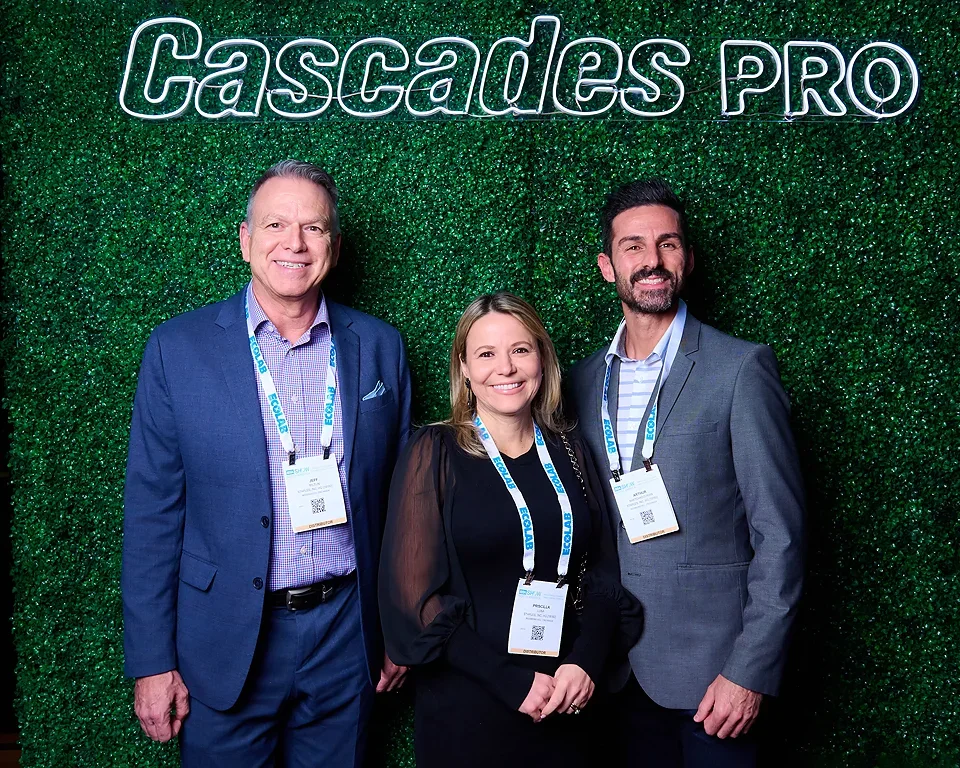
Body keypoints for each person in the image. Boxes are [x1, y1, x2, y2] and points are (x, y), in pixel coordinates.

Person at [122, 160, 412, 767]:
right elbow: (152, 514)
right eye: (276, 224)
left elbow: (406, 503)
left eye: (313, 227)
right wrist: (152, 662)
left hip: (346, 631)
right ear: (246, 239)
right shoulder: (177, 350)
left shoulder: (379, 345)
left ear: (333, 244)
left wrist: (399, 628)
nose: (295, 243)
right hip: (226, 635)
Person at [566, 180, 805, 768]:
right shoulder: (578, 381)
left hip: (714, 680)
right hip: (612, 674)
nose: (651, 260)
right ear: (607, 266)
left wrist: (748, 670)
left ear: (687, 259)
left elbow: (782, 535)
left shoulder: (739, 369)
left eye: (667, 244)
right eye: (633, 246)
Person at [379, 292, 641, 768]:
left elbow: (603, 571)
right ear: (464, 368)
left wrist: (585, 662)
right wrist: (510, 681)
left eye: (521, 349)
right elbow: (413, 600)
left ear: (541, 358)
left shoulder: (570, 450)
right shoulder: (433, 452)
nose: (507, 367)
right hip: (472, 706)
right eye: (486, 354)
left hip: (567, 700)